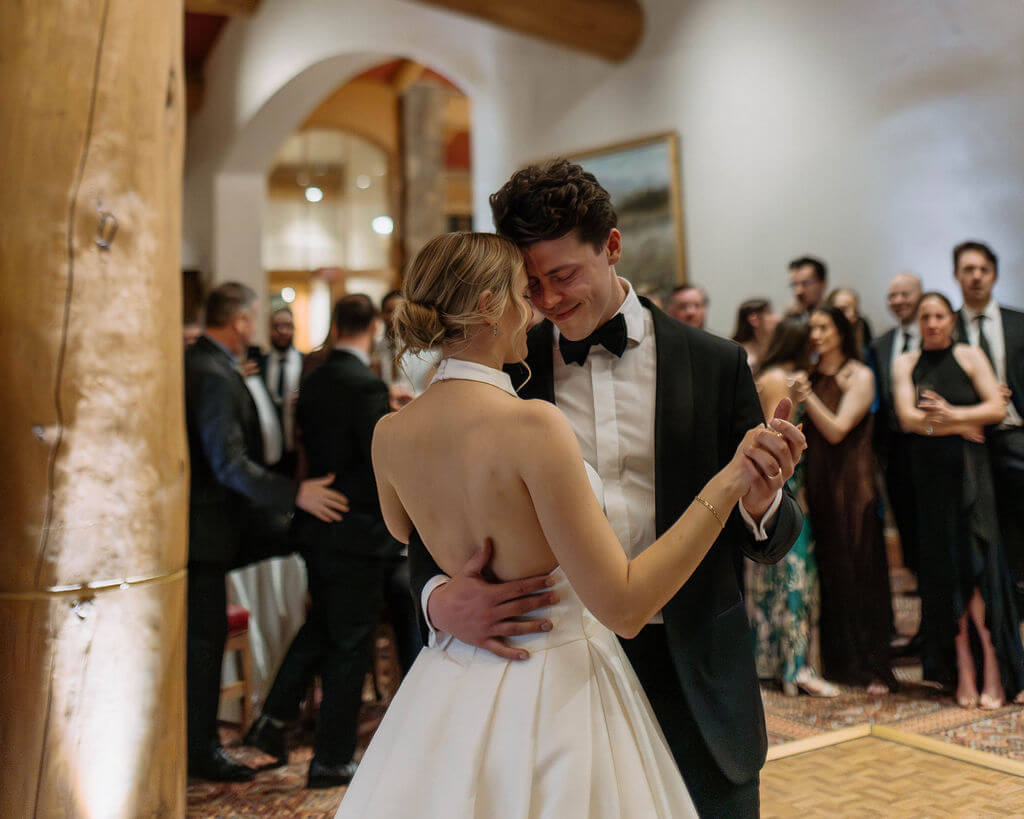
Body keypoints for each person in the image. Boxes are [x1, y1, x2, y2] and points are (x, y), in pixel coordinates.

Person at [336, 231, 805, 818]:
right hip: (560, 684)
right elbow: (624, 604)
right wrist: (730, 478)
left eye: (556, 280)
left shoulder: (390, 434)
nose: (537, 306)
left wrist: (757, 497)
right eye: (523, 290)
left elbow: (413, 532)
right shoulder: (534, 423)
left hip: (455, 687)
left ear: (609, 248)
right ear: (488, 304)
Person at [183, 283, 349, 781]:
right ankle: (202, 749)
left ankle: (254, 721)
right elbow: (229, 463)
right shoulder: (211, 372)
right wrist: (294, 493)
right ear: (238, 321)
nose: (253, 329)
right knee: (204, 641)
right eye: (252, 320)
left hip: (220, 522)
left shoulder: (210, 364)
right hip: (209, 526)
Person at [245, 295, 405, 787]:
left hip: (317, 525)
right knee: (350, 643)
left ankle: (272, 723)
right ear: (374, 327)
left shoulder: (311, 380)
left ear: (335, 326)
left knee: (324, 626)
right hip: (356, 530)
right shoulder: (367, 387)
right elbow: (378, 458)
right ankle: (332, 757)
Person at [893, 291, 1024, 707]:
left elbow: (995, 410)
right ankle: (963, 666)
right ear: (918, 323)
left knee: (980, 568)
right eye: (925, 317)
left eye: (939, 316)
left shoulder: (970, 356)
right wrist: (956, 424)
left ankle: (993, 667)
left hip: (972, 476)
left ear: (951, 320)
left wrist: (951, 417)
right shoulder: (906, 363)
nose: (932, 323)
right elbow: (908, 419)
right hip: (930, 481)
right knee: (945, 573)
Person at [792, 306, 895, 694]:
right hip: (819, 480)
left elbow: (836, 429)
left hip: (854, 484)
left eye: (823, 326)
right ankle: (842, 662)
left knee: (862, 569)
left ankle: (876, 666)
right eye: (812, 326)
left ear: (840, 331)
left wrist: (807, 396)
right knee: (832, 569)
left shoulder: (860, 374)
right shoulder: (810, 376)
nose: (815, 333)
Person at [747, 318, 838, 697]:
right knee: (794, 578)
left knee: (776, 579)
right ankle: (795, 668)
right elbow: (772, 435)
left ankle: (774, 663)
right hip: (780, 488)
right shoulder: (779, 380)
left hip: (786, 486)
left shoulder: (776, 375)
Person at [952, 241, 1024, 616]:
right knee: (977, 527)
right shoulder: (944, 327)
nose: (976, 276)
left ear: (994, 274)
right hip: (968, 440)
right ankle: (991, 608)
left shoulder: (1019, 322)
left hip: (1015, 434)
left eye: (982, 269)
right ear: (956, 275)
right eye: (968, 269)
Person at [869, 273, 923, 580]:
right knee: (906, 524)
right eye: (892, 296)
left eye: (905, 294)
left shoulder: (938, 335)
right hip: (897, 453)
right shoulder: (881, 344)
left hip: (937, 447)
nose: (898, 301)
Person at [260, 306, 303, 475]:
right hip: (267, 450)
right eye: (278, 326)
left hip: (297, 447)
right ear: (270, 329)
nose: (284, 331)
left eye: (289, 326)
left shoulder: (306, 363)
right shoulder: (259, 364)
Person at [732, 298, 780, 371]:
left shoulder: (778, 346)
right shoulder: (742, 356)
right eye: (769, 313)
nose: (776, 318)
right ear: (754, 320)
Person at [828, 287, 873, 351]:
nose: (851, 315)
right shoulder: (815, 350)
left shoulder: (866, 351)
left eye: (855, 311)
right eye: (843, 309)